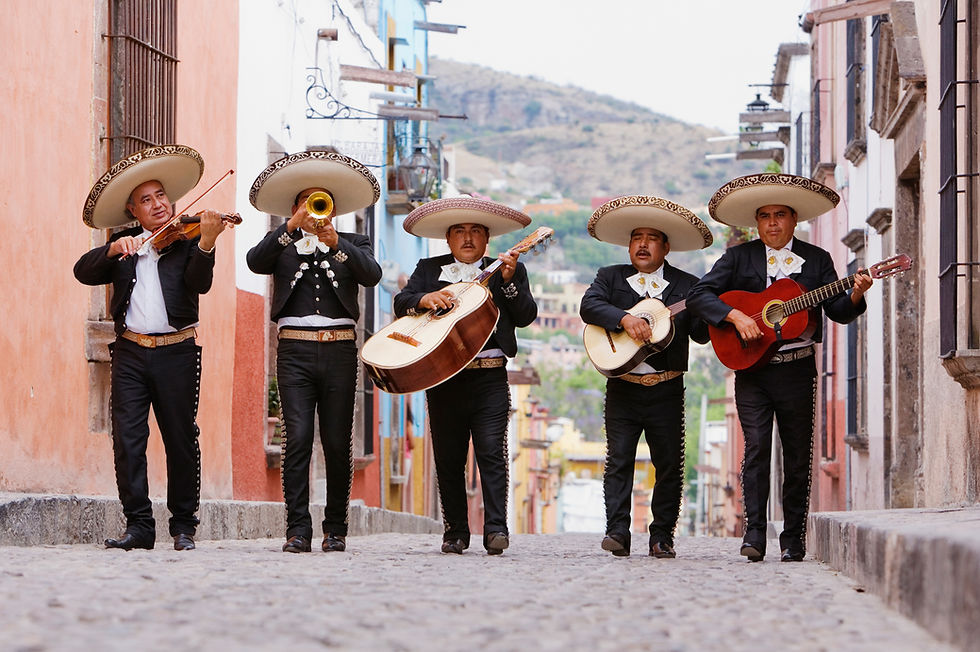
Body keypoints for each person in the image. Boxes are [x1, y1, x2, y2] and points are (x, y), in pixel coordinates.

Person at [686, 173, 872, 562]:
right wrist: (735, 317)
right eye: (765, 216)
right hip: (752, 369)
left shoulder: (817, 260)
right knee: (756, 449)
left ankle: (793, 539)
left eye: (781, 215)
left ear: (794, 220)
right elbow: (699, 295)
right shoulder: (739, 257)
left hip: (797, 369)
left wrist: (855, 292)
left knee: (798, 454)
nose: (772, 223)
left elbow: (837, 311)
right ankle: (754, 535)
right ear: (757, 223)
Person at [74, 144, 229, 551]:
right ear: (133, 211)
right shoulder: (124, 245)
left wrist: (207, 244)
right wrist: (112, 248)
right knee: (127, 439)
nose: (158, 204)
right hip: (128, 353)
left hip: (176, 351)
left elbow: (200, 284)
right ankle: (139, 526)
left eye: (161, 195)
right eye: (147, 200)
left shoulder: (185, 241)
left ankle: (183, 527)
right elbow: (82, 271)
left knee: (180, 438)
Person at [246, 151, 381, 553]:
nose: (315, 210)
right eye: (306, 203)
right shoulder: (282, 244)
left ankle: (335, 527)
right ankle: (297, 528)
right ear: (294, 209)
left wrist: (337, 242)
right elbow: (255, 262)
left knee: (338, 442)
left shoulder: (354, 242)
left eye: (321, 203)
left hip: (339, 351)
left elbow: (372, 275)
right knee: (298, 439)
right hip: (294, 352)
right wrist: (291, 227)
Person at [392, 197, 537, 555]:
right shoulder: (428, 268)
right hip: (443, 378)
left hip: (490, 375)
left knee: (491, 452)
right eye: (460, 231)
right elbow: (402, 301)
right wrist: (425, 299)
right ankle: (455, 532)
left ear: (487, 239)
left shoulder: (507, 269)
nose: (468, 238)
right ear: (448, 238)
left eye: (475, 231)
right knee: (448, 455)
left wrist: (508, 282)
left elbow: (525, 315)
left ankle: (496, 529)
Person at [580, 195, 712, 558]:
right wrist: (625, 319)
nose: (642, 244)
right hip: (622, 386)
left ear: (665, 247)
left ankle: (661, 536)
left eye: (651, 238)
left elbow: (700, 334)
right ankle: (617, 532)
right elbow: (588, 306)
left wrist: (714, 308)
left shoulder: (689, 285)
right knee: (618, 459)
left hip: (667, 387)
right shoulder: (610, 277)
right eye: (637, 237)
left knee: (669, 464)